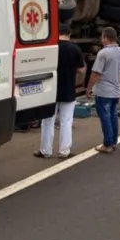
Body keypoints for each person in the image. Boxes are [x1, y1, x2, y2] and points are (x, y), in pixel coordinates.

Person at [34, 23, 85, 159]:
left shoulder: (50, 48)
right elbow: (81, 69)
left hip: (50, 90)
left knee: (47, 121)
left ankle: (45, 151)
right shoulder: (75, 49)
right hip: (68, 90)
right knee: (66, 121)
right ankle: (64, 151)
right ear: (69, 34)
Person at [86, 26, 120, 154]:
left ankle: (107, 143)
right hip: (116, 90)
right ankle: (113, 141)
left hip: (104, 90)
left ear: (105, 38)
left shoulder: (103, 53)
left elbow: (96, 73)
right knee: (113, 116)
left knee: (105, 116)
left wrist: (89, 88)